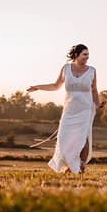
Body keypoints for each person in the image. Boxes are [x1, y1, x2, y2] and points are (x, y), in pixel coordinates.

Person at [28, 44, 101, 174]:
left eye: (88, 55)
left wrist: (98, 104)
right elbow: (55, 86)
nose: (87, 58)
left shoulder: (92, 71)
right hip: (69, 110)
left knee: (82, 138)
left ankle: (80, 166)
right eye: (84, 55)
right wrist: (38, 87)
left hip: (86, 109)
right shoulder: (66, 69)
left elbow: (94, 90)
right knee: (63, 138)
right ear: (76, 55)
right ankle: (71, 163)